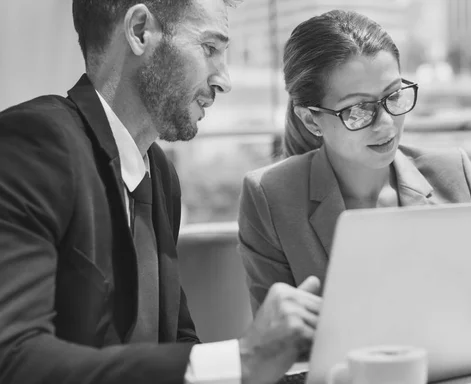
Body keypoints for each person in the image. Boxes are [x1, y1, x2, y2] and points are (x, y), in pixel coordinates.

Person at [0, 1, 321, 384]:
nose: (224, 79)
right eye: (210, 48)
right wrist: (243, 358)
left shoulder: (160, 173)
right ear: (139, 31)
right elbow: (15, 359)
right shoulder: (32, 142)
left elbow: (177, 341)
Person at [238, 9, 471, 336]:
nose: (386, 124)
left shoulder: (450, 172)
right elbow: (277, 340)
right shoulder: (270, 196)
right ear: (309, 119)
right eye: (359, 110)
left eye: (393, 96)